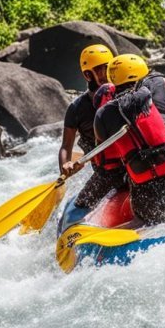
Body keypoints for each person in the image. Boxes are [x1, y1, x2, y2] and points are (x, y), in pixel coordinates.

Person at [94, 54, 165, 225]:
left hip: (149, 197)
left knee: (141, 214)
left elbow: (105, 165)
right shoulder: (156, 88)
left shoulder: (102, 115)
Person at [58, 45, 128, 209]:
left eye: (109, 68)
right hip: (107, 172)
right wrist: (65, 165)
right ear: (88, 74)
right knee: (80, 206)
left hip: (134, 162)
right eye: (101, 70)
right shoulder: (76, 108)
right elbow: (65, 146)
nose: (107, 74)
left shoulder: (125, 93)